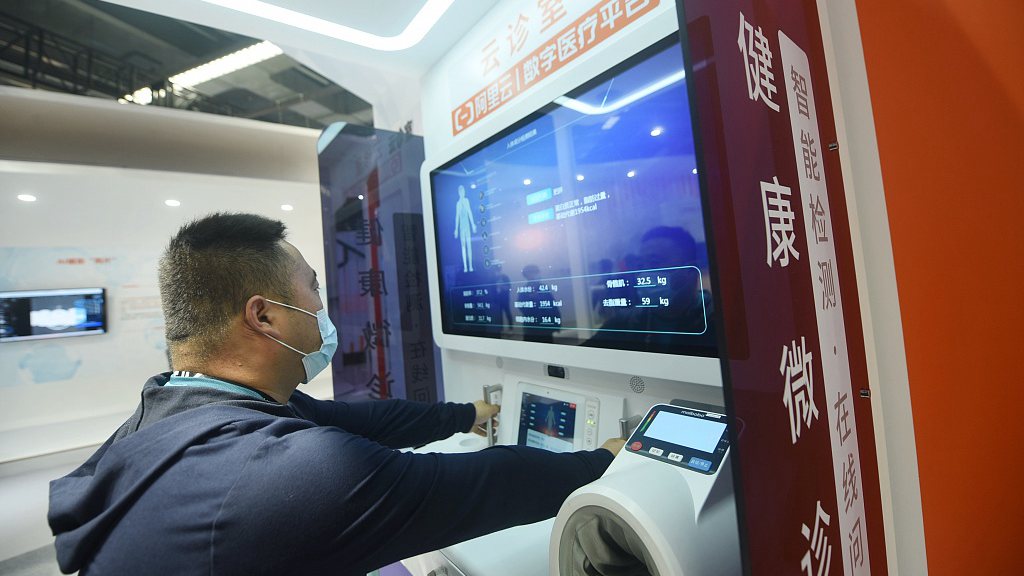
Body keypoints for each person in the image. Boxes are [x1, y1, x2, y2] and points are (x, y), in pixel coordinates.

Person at [48, 213, 624, 576]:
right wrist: (606, 462)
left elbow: (361, 420)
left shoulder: (177, 410)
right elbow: (485, 486)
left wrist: (464, 414)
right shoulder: (281, 473)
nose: (322, 310)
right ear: (267, 315)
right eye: (313, 291)